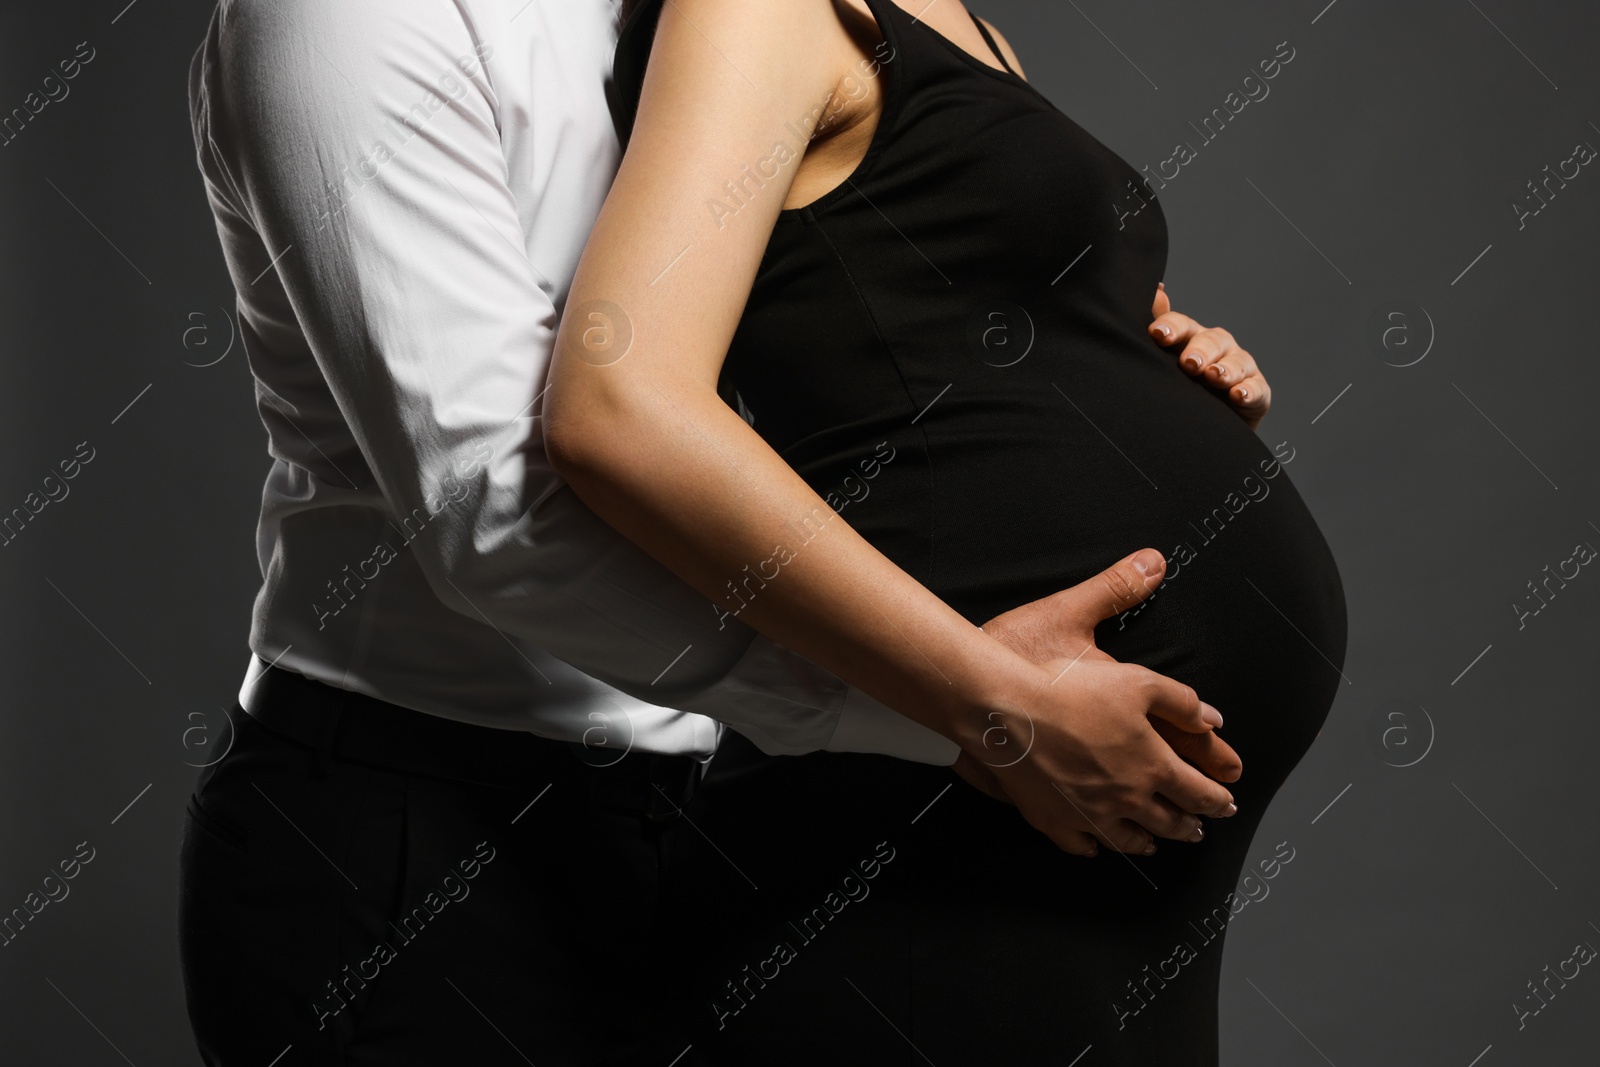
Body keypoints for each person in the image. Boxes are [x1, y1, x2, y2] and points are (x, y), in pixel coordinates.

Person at [180, 0, 1249, 1064]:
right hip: (425, 830)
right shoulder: (342, 20)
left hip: (724, 813)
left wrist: (1111, 358)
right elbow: (492, 512)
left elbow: (849, 330)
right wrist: (970, 709)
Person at [544, 0, 1348, 1062]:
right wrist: (997, 701)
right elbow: (615, 406)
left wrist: (1148, 352)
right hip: (932, 835)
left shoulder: (957, 22)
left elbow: (938, 321)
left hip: (1107, 875)